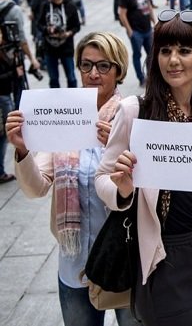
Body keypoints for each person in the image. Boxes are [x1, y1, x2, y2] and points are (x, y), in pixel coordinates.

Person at [95, 9, 192, 326]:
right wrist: (122, 190)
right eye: (165, 50)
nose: (173, 60)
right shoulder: (136, 109)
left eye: (184, 51)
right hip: (162, 255)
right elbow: (102, 179)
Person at [6, 31, 140, 326]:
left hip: (124, 258)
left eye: (103, 66)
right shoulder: (63, 116)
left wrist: (114, 148)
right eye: (86, 65)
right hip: (75, 261)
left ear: (118, 70)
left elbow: (145, 189)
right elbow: (37, 186)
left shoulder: (132, 116)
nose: (93, 74)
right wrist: (22, 149)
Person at [38, 0, 81, 88]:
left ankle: (73, 101)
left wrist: (68, 33)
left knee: (71, 77)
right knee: (53, 79)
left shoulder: (70, 6)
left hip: (66, 47)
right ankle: (55, 103)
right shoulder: (46, 6)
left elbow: (77, 26)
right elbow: (39, 23)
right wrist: (47, 29)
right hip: (49, 48)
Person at [119, 0, 156, 87]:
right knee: (137, 55)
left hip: (147, 29)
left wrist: (154, 21)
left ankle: (152, 76)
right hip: (136, 32)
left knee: (151, 54)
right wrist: (130, 31)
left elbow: (149, 6)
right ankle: (141, 78)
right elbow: (122, 14)